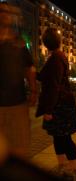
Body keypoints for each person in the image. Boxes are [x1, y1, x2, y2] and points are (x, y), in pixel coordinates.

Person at [35, 28, 76, 181]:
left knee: (65, 138)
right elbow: (44, 77)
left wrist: (48, 110)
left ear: (46, 43)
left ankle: (75, 171)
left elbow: (54, 86)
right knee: (58, 138)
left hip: (59, 105)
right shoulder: (56, 57)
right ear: (59, 42)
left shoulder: (55, 58)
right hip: (61, 104)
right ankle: (63, 168)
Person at [0, 2, 37, 158]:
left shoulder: (19, 42)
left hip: (17, 105)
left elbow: (29, 68)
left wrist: (34, 91)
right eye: (1, 11)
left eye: (8, 12)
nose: (5, 14)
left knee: (19, 150)